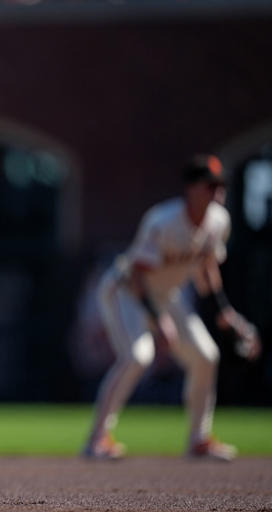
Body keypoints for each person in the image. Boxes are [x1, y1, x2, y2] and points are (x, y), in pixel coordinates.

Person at [82, 154, 261, 461]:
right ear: (191, 188)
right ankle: (97, 439)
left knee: (206, 356)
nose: (217, 192)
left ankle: (198, 439)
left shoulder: (219, 221)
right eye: (210, 185)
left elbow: (207, 268)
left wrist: (223, 311)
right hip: (126, 291)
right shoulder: (162, 221)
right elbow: (138, 274)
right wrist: (157, 318)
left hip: (168, 295)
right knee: (138, 356)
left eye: (221, 185)